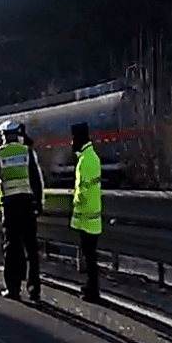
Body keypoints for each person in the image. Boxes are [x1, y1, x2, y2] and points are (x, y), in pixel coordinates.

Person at [0, 120, 45, 301]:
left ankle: (13, 289)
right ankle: (34, 291)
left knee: (12, 248)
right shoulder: (27, 152)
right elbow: (36, 180)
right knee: (31, 248)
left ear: (3, 136)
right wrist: (39, 203)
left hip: (11, 206)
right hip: (27, 204)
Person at [70, 122, 103, 302]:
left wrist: (75, 203)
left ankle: (92, 290)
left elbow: (82, 190)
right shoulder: (92, 157)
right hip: (92, 214)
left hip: (87, 215)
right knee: (90, 256)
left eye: (74, 138)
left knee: (89, 256)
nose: (71, 142)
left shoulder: (85, 160)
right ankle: (91, 287)